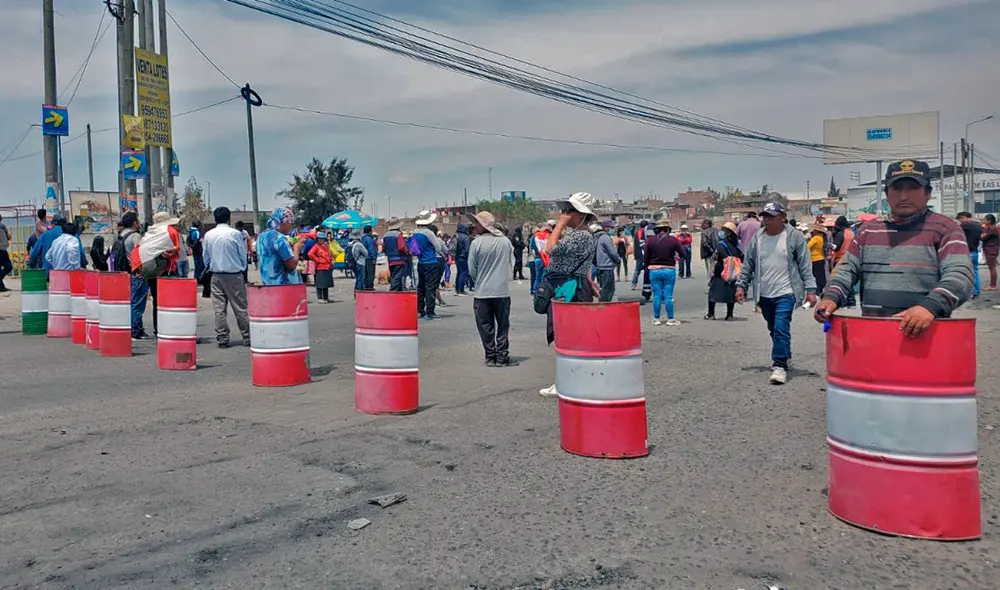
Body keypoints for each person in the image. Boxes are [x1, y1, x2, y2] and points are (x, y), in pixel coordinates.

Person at [816, 160, 974, 338]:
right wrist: (831, 296)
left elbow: (960, 275)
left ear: (928, 193)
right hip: (875, 335)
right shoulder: (868, 230)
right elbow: (846, 269)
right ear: (886, 193)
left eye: (913, 188)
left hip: (928, 338)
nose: (904, 196)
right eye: (897, 188)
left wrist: (930, 306)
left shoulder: (945, 228)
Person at [736, 202, 817, 385]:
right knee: (773, 327)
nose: (767, 220)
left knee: (781, 327)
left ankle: (779, 365)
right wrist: (741, 286)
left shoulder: (794, 237)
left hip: (786, 292)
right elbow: (748, 264)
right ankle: (784, 352)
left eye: (771, 216)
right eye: (765, 216)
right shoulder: (758, 237)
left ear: (782, 217)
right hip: (764, 294)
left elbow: (805, 265)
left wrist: (810, 290)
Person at [539, 192, 600, 397]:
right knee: (574, 337)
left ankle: (566, 381)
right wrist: (590, 281)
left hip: (569, 289)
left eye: (568, 211)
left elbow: (549, 248)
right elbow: (584, 265)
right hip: (575, 285)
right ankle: (574, 379)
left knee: (567, 338)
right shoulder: (585, 235)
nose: (564, 214)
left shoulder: (579, 235)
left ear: (579, 214)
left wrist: (560, 224)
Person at [467, 211, 517, 367]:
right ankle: (502, 356)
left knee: (485, 326)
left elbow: (472, 269)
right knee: (502, 325)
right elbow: (513, 263)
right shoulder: (505, 242)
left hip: (482, 292)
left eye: (477, 224)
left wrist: (479, 280)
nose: (475, 227)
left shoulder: (476, 243)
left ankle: (490, 356)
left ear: (483, 226)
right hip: (501, 291)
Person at [202, 207, 251, 348]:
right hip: (234, 275)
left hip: (216, 275)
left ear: (215, 219)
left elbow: (206, 257)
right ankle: (247, 337)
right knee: (240, 308)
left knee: (219, 309)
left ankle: (222, 338)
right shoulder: (235, 234)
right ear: (229, 219)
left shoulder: (209, 235)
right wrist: (241, 268)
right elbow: (242, 255)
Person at [134, 212, 181, 337]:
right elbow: (177, 250)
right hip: (168, 271)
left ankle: (158, 329)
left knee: (157, 301)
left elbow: (138, 252)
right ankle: (170, 328)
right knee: (170, 302)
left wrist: (138, 269)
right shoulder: (171, 231)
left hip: (152, 272)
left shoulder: (148, 235)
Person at [644, 219, 686, 326]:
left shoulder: (650, 241)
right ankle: (670, 319)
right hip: (669, 269)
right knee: (668, 296)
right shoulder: (673, 240)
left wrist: (648, 267)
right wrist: (675, 257)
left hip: (654, 270)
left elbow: (646, 258)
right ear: (667, 229)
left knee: (656, 295)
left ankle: (656, 319)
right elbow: (683, 254)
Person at [256, 207, 305, 286]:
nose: (291, 227)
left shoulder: (261, 236)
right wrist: (296, 248)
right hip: (283, 286)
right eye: (290, 223)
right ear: (284, 222)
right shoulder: (279, 238)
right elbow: (291, 265)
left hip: (267, 283)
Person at [706, 221, 741, 321]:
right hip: (733, 273)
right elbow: (740, 256)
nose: (721, 232)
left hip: (721, 272)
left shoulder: (721, 244)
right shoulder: (736, 245)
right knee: (730, 294)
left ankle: (711, 314)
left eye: (724, 230)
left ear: (728, 232)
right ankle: (729, 315)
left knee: (712, 293)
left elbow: (721, 256)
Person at [411, 211, 442, 319]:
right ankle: (430, 312)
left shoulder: (415, 232)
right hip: (430, 262)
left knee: (421, 287)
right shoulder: (428, 233)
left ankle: (420, 310)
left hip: (421, 262)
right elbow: (438, 247)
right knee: (430, 287)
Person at [829, 216, 856, 307]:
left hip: (840, 259)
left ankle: (844, 301)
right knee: (849, 281)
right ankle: (852, 301)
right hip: (850, 258)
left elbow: (835, 247)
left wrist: (829, 244)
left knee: (841, 281)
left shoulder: (841, 234)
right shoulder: (851, 232)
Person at [956, 212, 982, 299]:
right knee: (975, 272)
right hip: (975, 252)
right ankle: (976, 292)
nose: (960, 221)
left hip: (966, 252)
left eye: (960, 219)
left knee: (962, 272)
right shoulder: (978, 226)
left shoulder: (966, 225)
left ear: (964, 217)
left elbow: (953, 229)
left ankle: (964, 292)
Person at [594, 220, 621, 302]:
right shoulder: (605, 237)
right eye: (611, 227)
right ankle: (604, 306)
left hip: (600, 265)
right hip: (607, 266)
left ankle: (602, 304)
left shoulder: (598, 237)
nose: (613, 229)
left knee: (602, 288)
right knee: (608, 289)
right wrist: (618, 260)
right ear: (605, 228)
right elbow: (612, 252)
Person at [382, 221, 410, 291]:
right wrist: (407, 252)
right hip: (399, 260)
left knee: (394, 277)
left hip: (390, 260)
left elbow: (383, 248)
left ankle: (398, 295)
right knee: (397, 279)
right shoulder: (398, 235)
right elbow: (401, 247)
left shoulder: (385, 235)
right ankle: (392, 294)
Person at [308, 231, 334, 303]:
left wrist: (331, 260)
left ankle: (326, 298)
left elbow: (329, 255)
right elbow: (310, 254)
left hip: (327, 266)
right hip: (320, 267)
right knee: (320, 284)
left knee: (326, 284)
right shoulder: (316, 247)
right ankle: (320, 298)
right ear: (317, 239)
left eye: (322, 239)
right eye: (320, 239)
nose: (321, 240)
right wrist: (317, 260)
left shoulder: (325, 247)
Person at [530, 221, 553, 296]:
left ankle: (534, 291)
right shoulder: (549, 235)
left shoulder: (535, 236)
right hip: (546, 258)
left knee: (537, 277)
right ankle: (542, 292)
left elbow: (531, 247)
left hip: (537, 258)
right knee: (544, 276)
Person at [807, 224, 827, 293]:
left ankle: (818, 289)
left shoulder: (815, 238)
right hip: (820, 257)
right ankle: (821, 287)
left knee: (816, 275)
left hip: (815, 258)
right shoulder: (822, 238)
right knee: (820, 274)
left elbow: (808, 246)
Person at [982, 214, 999, 291]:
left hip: (991, 249)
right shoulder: (991, 228)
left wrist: (982, 234)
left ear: (989, 221)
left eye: (985, 219)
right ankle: (992, 284)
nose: (984, 221)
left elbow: (984, 237)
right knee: (991, 267)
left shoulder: (992, 228)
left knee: (992, 267)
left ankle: (993, 285)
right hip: (991, 249)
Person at [349, 230, 369, 295]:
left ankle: (356, 292)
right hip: (360, 263)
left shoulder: (351, 244)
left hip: (354, 263)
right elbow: (366, 253)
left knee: (358, 278)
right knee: (360, 279)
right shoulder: (359, 244)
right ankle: (359, 294)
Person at [454, 222, 472, 295]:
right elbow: (467, 249)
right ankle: (461, 289)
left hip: (457, 257)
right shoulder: (465, 237)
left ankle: (457, 289)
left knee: (458, 273)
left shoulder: (456, 236)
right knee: (463, 273)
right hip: (463, 257)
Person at [631, 220, 648, 290]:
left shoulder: (636, 232)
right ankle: (648, 285)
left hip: (638, 254)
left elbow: (635, 244)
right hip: (645, 254)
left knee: (637, 270)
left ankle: (633, 284)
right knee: (647, 270)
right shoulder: (644, 232)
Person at [361, 225, 377, 290]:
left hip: (363, 258)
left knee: (365, 273)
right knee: (370, 273)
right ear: (369, 231)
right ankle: (370, 287)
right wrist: (374, 258)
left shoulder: (361, 238)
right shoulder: (369, 239)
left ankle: (365, 286)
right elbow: (371, 249)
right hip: (369, 258)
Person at [0, 214, 11, 292]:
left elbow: (8, 236)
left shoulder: (3, 226)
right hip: (1, 249)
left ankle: (0, 281)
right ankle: (1, 286)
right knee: (7, 266)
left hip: (3, 249)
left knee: (9, 267)